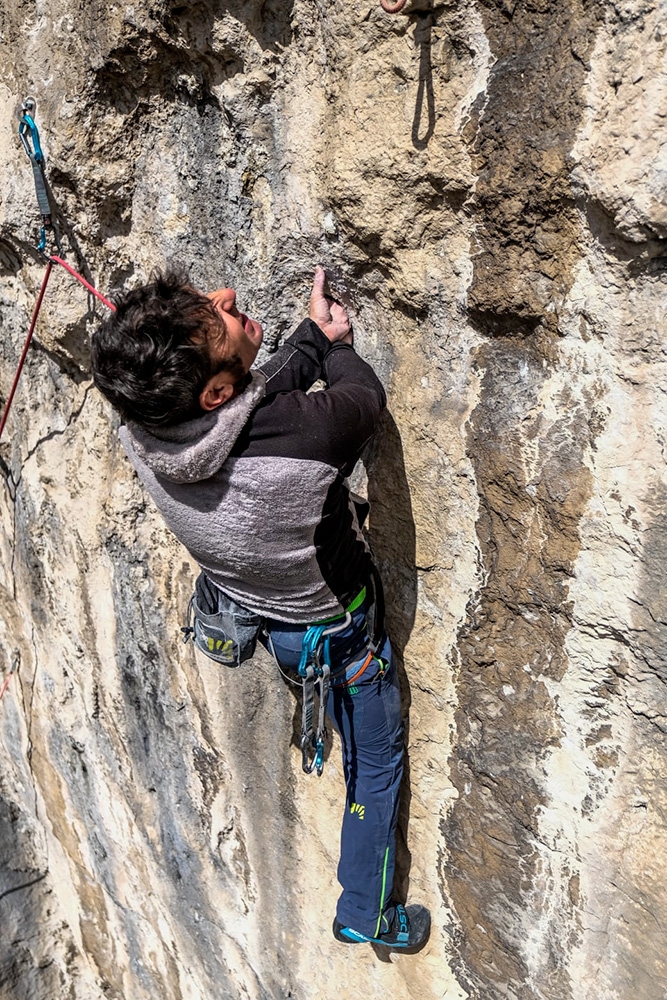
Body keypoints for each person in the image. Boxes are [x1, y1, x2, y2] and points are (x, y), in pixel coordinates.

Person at [91, 265, 430, 950]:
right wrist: (334, 349)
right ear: (213, 390)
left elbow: (243, 408)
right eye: (214, 319)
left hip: (266, 618)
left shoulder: (146, 427)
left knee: (335, 704)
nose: (226, 297)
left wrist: (309, 335)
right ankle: (368, 914)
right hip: (339, 627)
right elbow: (361, 397)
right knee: (377, 758)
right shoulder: (306, 441)